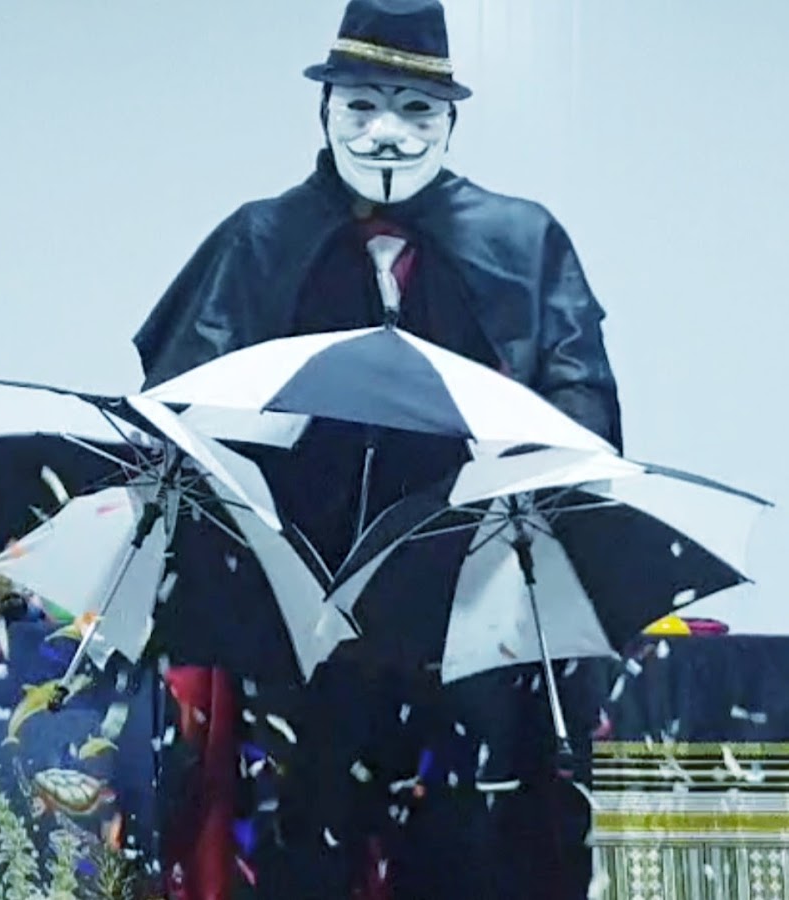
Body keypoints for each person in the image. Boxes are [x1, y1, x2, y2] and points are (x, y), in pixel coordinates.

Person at [135, 1, 621, 897]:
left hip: (474, 615)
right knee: (300, 847)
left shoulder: (523, 243)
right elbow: (176, 418)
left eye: (415, 109)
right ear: (323, 110)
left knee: (475, 850)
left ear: (451, 122)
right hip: (299, 619)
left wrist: (522, 457)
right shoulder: (259, 240)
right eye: (361, 105)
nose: (387, 133)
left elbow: (582, 411)